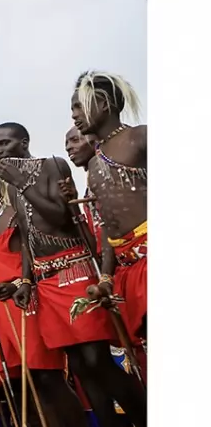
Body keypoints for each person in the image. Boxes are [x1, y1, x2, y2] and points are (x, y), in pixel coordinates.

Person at [0, 120, 146, 427]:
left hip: (75, 269)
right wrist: (26, 278)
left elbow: (60, 216)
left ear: (24, 141)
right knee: (81, 369)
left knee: (98, 361)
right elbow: (28, 235)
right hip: (45, 282)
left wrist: (22, 184)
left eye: (5, 143)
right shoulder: (13, 187)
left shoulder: (52, 166)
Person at [0, 153, 90, 427]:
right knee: (27, 382)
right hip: (0, 307)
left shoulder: (13, 211)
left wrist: (21, 281)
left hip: (24, 297)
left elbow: (29, 250)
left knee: (48, 376)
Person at [72, 71, 148, 348]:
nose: (74, 115)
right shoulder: (93, 164)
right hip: (126, 268)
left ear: (103, 104)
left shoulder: (139, 138)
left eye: (79, 105)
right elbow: (106, 224)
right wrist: (106, 276)